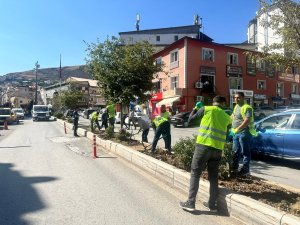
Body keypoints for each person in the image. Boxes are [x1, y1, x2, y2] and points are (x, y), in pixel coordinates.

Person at [179, 96, 232, 212]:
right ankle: (212, 205)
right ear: (223, 104)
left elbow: (190, 120)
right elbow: (228, 134)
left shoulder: (206, 109)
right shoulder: (227, 118)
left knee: (195, 173)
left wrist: (194, 109)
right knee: (213, 177)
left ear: (213, 102)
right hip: (217, 149)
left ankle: (191, 203)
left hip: (203, 147)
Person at [230, 92, 257, 176]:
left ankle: (245, 171)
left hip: (244, 133)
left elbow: (247, 120)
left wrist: (238, 128)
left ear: (243, 98)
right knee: (235, 151)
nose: (236, 99)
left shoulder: (247, 107)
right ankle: (234, 169)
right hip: (236, 133)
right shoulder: (236, 106)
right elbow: (232, 117)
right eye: (235, 97)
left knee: (245, 153)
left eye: (238, 97)